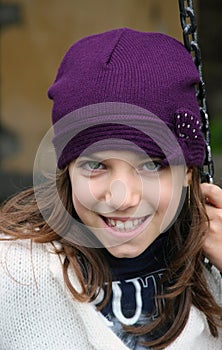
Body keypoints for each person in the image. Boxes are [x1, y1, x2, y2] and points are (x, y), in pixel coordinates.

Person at [0, 28, 222, 350]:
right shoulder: (13, 272)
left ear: (188, 172)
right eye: (96, 165)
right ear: (68, 168)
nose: (124, 198)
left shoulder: (212, 271)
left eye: (151, 165)